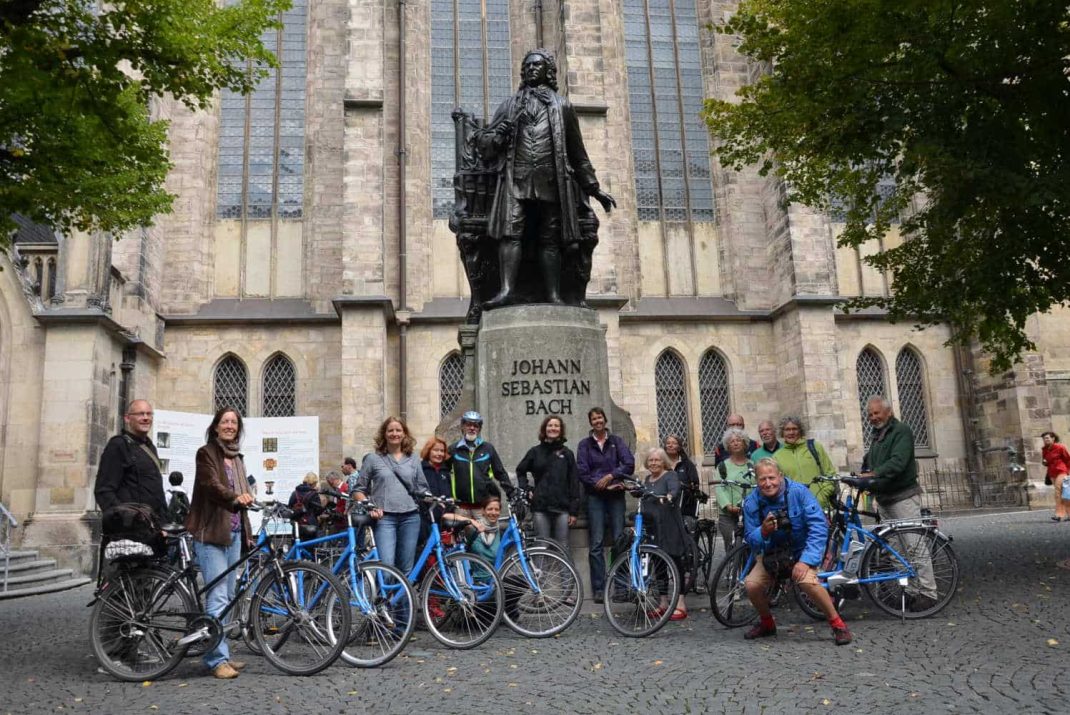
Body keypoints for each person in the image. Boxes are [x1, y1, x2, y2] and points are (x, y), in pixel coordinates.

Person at [476, 48, 616, 308]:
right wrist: (499, 134)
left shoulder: (562, 106)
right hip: (516, 181)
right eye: (527, 66)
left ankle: (553, 294)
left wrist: (595, 189)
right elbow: (484, 146)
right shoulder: (509, 105)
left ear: (547, 71)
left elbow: (577, 153)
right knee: (511, 232)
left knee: (550, 237)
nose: (531, 69)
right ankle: (507, 290)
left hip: (551, 183)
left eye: (536, 65)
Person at [742, 459, 852, 645]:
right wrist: (763, 531)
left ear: (780, 476)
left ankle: (838, 624)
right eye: (762, 479)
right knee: (751, 585)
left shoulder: (799, 492)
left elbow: (818, 527)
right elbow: (750, 538)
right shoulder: (752, 502)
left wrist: (806, 560)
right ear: (757, 481)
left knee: (807, 581)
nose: (768, 483)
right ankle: (767, 623)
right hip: (772, 554)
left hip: (801, 552)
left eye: (771, 478)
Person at [185, 407, 255, 679]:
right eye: (225, 421)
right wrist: (235, 498)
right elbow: (211, 486)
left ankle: (221, 650)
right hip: (211, 532)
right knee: (218, 597)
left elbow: (244, 494)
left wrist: (248, 523)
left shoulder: (237, 457)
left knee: (227, 597)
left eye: (234, 422)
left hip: (234, 534)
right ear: (216, 427)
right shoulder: (206, 453)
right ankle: (216, 660)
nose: (229, 426)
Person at [848, 395, 938, 608]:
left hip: (903, 497)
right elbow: (870, 461)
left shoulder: (901, 431)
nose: (873, 417)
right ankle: (911, 591)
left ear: (888, 412)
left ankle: (928, 592)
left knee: (914, 545)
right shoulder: (878, 435)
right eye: (870, 414)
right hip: (885, 498)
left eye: (877, 413)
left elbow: (897, 463)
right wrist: (863, 476)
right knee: (896, 548)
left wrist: (874, 474)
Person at [353, 417, 429, 576]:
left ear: (404, 434)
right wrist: (369, 506)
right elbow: (358, 490)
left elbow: (421, 488)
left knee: (406, 569)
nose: (395, 433)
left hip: (410, 517)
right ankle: (385, 600)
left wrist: (436, 499)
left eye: (398, 430)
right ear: (384, 434)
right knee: (387, 570)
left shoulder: (413, 458)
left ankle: (403, 601)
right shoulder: (373, 459)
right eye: (391, 430)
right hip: (384, 518)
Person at [577, 406, 635, 604]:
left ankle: (620, 586)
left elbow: (629, 463)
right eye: (594, 419)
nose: (598, 421)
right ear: (590, 422)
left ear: (604, 420)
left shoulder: (616, 442)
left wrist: (611, 477)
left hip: (616, 496)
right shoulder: (584, 445)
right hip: (595, 498)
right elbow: (583, 472)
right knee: (596, 544)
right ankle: (599, 588)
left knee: (619, 540)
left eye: (600, 417)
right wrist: (600, 485)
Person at [639, 448, 690, 620]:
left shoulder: (670, 476)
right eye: (651, 460)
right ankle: (663, 602)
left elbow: (674, 491)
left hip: (670, 526)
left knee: (675, 563)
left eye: (657, 460)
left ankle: (681, 603)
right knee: (659, 564)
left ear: (663, 462)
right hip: (654, 527)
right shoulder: (647, 479)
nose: (653, 463)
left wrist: (669, 496)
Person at [516, 415, 582, 549]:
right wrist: (527, 489)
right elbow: (520, 471)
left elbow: (574, 481)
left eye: (556, 426)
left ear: (561, 429)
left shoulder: (567, 453)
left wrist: (574, 511)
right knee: (541, 545)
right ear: (545, 429)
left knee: (562, 546)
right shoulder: (535, 452)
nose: (553, 428)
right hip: (541, 507)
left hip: (562, 508)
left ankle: (566, 571)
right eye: (550, 425)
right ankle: (539, 571)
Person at [94, 399, 167, 519]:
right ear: (127, 418)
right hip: (130, 530)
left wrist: (164, 522)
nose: (146, 418)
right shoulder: (118, 445)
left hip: (154, 527)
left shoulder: (150, 447)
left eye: (149, 414)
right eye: (140, 414)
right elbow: (104, 491)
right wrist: (127, 519)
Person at [448, 411, 513, 520]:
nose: (472, 428)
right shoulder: (453, 449)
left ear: (479, 429)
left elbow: (500, 472)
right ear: (463, 427)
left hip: (483, 507)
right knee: (462, 536)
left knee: (485, 536)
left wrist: (511, 492)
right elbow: (443, 473)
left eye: (476, 425)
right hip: (461, 507)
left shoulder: (488, 448)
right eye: (468, 424)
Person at [772, 416, 837, 510]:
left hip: (821, 506)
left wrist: (823, 495)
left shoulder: (815, 447)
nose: (791, 432)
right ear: (782, 432)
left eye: (794, 429)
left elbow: (830, 473)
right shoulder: (777, 456)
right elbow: (779, 485)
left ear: (800, 431)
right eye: (787, 429)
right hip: (796, 509)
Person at [714, 428, 756, 551]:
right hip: (728, 515)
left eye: (739, 440)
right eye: (732, 441)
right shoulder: (722, 466)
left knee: (750, 546)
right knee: (732, 546)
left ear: (745, 444)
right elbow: (719, 487)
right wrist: (728, 505)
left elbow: (757, 487)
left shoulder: (752, 465)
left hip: (749, 513)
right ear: (728, 445)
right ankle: (732, 569)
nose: (736, 443)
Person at [419, 435, 454, 547]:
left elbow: (449, 493)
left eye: (442, 451)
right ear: (428, 451)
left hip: (444, 519)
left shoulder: (445, 471)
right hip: (426, 519)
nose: (439, 454)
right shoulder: (421, 470)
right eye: (436, 450)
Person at [664, 434, 701, 519]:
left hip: (685, 507)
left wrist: (683, 486)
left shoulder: (687, 465)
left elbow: (695, 484)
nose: (670, 445)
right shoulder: (661, 464)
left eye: (674, 443)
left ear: (679, 446)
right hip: (665, 506)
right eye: (668, 443)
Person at [1042, 432, 1070, 521]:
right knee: (1063, 494)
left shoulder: (1060, 447)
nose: (1045, 440)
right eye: (1044, 438)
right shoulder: (1044, 449)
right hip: (1052, 473)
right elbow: (1045, 461)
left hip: (1062, 471)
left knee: (1058, 492)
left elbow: (1068, 459)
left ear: (1053, 438)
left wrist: (1068, 472)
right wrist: (1045, 462)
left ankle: (1059, 515)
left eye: (1047, 438)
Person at [288, 472, 324, 538]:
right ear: (313, 483)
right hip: (310, 524)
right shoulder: (314, 494)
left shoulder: (295, 493)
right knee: (310, 545)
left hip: (297, 523)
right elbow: (318, 511)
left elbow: (290, 506)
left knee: (297, 543)